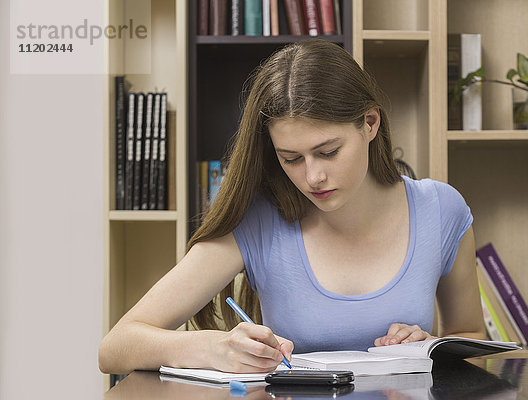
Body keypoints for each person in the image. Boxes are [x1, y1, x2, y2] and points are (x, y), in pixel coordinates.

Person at [98, 39, 486, 375]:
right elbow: (115, 347)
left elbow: (473, 340)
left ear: (369, 124)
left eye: (328, 151)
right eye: (291, 158)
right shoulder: (258, 222)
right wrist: (211, 348)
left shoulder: (441, 209)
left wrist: (430, 347)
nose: (312, 177)